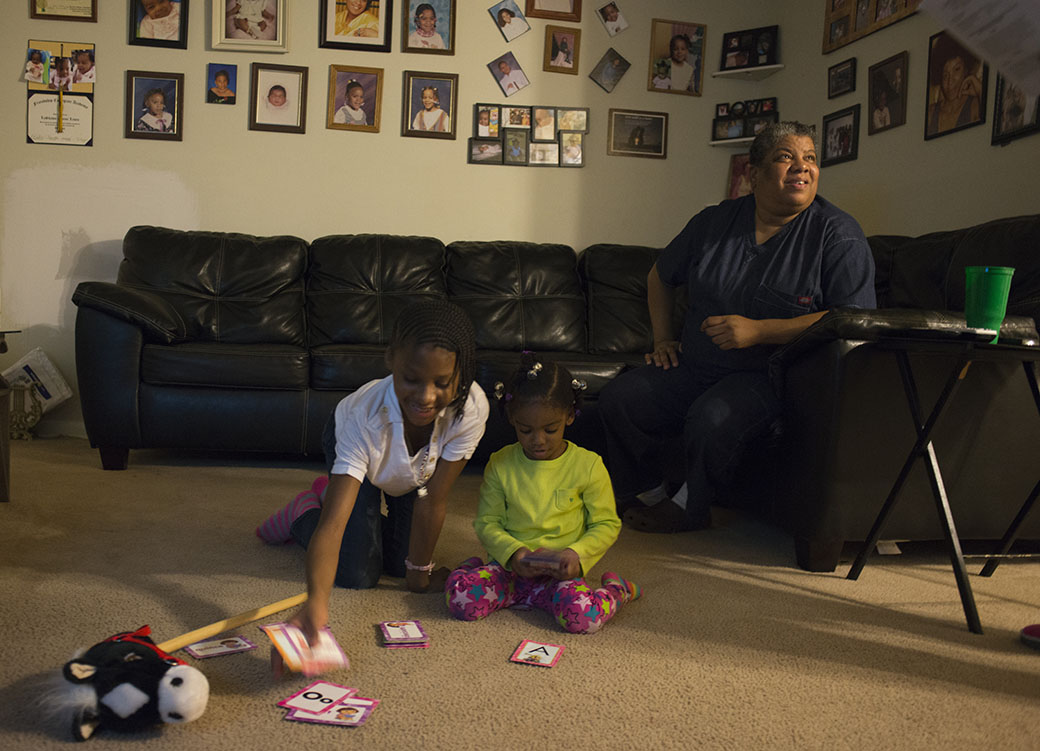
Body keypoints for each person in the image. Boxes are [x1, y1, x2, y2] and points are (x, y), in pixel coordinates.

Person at [599, 121, 876, 533]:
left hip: (769, 376)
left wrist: (761, 331)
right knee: (621, 398)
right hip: (696, 366)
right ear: (754, 173)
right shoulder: (714, 223)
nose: (802, 167)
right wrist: (662, 338)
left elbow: (852, 318)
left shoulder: (838, 235)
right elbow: (660, 275)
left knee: (711, 419)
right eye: (786, 157)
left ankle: (691, 507)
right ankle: (650, 491)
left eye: (811, 159)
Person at [256, 300, 489, 643]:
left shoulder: (469, 410)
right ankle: (304, 510)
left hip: (415, 476)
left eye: (442, 382)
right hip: (361, 460)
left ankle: (356, 518)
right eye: (411, 379)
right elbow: (334, 525)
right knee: (357, 573)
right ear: (391, 359)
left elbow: (434, 499)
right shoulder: (362, 418)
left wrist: (419, 578)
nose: (426, 397)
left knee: (400, 565)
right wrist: (316, 603)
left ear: (462, 374)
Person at [445, 353, 640, 634]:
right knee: (461, 601)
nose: (538, 440)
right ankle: (470, 568)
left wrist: (577, 554)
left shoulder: (589, 466)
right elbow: (487, 523)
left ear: (570, 416)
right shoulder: (500, 463)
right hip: (510, 569)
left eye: (551, 429)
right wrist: (513, 554)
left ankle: (616, 591)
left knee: (584, 619)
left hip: (560, 575)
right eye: (525, 430)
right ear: (512, 419)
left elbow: (606, 524)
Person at [927, 33, 983, 135]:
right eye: (945, 75)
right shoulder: (931, 113)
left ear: (966, 70)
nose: (950, 80)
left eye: (956, 69)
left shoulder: (975, 105)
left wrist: (979, 89)